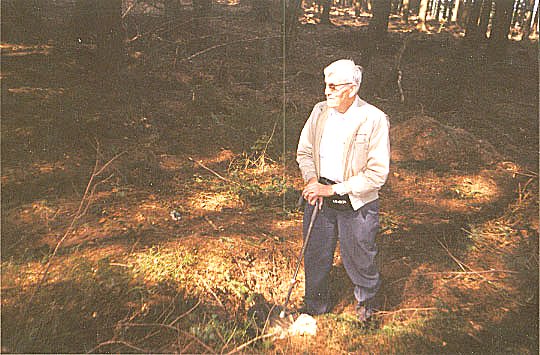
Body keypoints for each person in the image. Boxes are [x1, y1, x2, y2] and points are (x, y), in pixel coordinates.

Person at [296, 59, 390, 322]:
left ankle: (366, 306)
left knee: (359, 256)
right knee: (315, 254)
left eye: (333, 87)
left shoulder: (374, 119)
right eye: (326, 85)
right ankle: (314, 306)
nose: (327, 91)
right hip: (320, 196)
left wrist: (333, 190)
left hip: (356, 201)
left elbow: (377, 174)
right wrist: (313, 181)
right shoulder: (319, 112)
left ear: (352, 89)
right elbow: (304, 152)